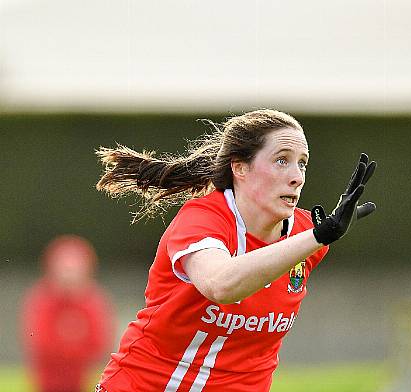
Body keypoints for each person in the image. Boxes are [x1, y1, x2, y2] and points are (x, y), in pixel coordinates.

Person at [93, 109, 376, 392]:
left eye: (302, 164)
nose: (296, 177)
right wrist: (319, 236)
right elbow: (221, 285)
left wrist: (316, 237)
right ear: (239, 168)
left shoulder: (306, 235)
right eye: (282, 160)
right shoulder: (203, 219)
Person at [21, 235, 115, 392]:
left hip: (84, 381)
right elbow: (41, 343)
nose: (69, 275)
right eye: (65, 269)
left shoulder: (93, 302)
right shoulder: (42, 300)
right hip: (47, 384)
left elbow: (99, 342)